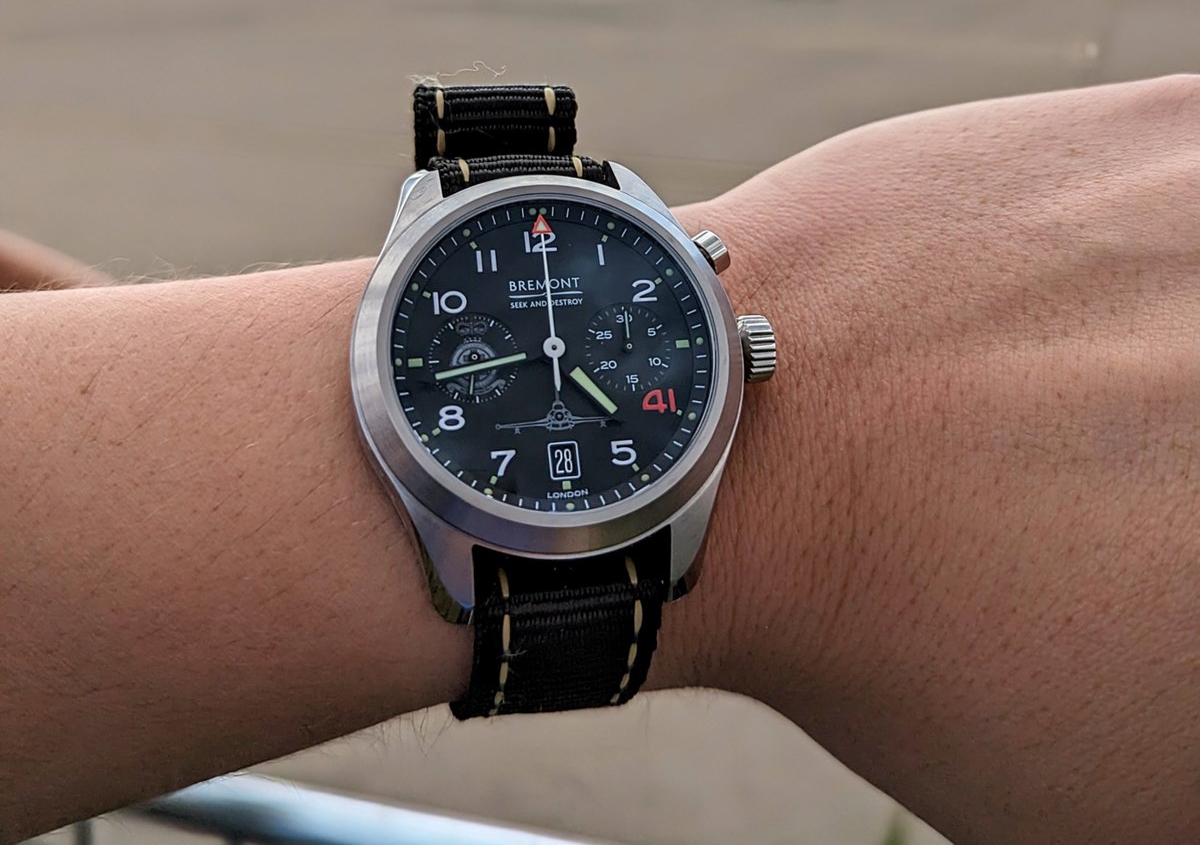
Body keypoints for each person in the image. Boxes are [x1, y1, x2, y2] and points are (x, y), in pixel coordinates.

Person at [2, 75, 1197, 845]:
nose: (569, 363)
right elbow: (385, 384)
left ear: (746, 349)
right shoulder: (417, 387)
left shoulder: (704, 364)